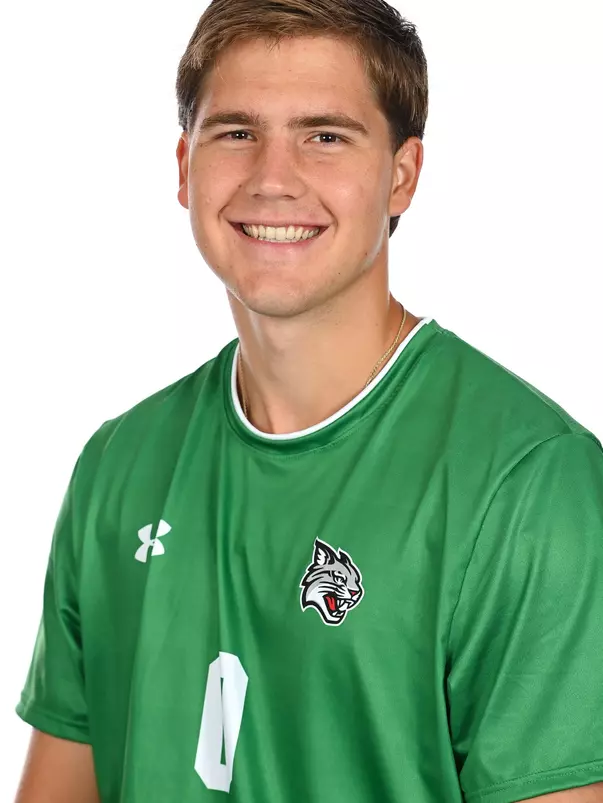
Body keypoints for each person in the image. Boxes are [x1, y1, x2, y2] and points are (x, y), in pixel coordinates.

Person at [13, 0, 603, 801]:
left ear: (401, 174)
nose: (272, 178)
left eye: (324, 135)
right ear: (184, 166)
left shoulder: (529, 484)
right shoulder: (118, 463)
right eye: (236, 132)